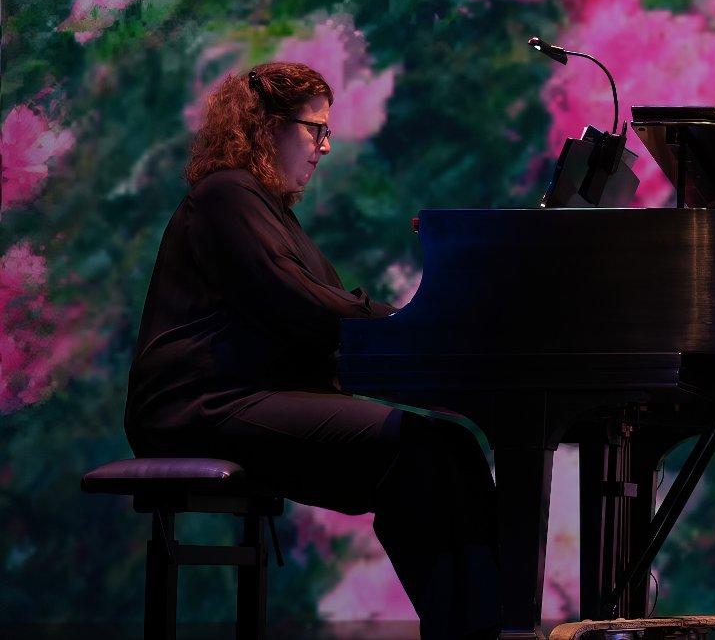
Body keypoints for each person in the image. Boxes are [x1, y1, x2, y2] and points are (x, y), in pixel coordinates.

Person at [126, 61, 500, 640]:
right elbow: (299, 304)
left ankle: (486, 627)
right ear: (266, 126)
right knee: (420, 450)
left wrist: (408, 327)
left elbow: (321, 305)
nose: (325, 146)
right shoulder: (227, 194)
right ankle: (468, 631)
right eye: (315, 129)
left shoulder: (267, 209)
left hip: (244, 398)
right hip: (199, 408)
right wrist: (408, 325)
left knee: (449, 446)